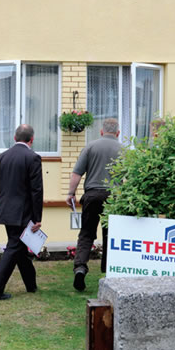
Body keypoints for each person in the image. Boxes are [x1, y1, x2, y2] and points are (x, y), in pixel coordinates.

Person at [0, 124, 43, 301]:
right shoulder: (33, 158)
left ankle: (31, 285)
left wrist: (2, 203)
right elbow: (36, 190)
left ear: (14, 138)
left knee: (19, 248)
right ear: (32, 139)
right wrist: (37, 218)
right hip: (23, 212)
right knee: (14, 247)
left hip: (6, 210)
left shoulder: (1, 157)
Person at [66, 117, 122, 292]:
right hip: (114, 198)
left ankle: (80, 268)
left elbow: (77, 173)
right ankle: (108, 272)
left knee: (87, 234)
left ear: (101, 131)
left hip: (91, 195)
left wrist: (70, 193)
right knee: (110, 236)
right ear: (118, 133)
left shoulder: (90, 147)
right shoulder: (124, 150)